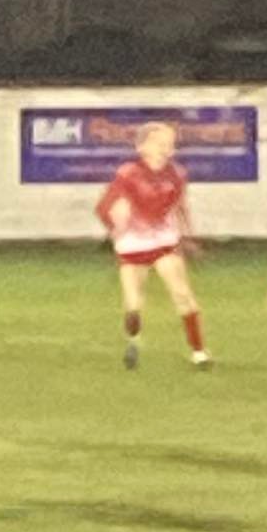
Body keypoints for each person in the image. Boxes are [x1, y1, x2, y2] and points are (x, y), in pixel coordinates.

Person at [98, 119, 212, 369]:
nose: (166, 149)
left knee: (182, 294)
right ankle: (134, 339)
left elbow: (181, 208)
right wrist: (115, 220)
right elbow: (104, 207)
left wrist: (188, 237)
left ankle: (199, 351)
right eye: (160, 143)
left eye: (170, 144)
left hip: (163, 243)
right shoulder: (128, 173)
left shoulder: (177, 174)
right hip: (132, 246)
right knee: (134, 304)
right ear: (142, 147)